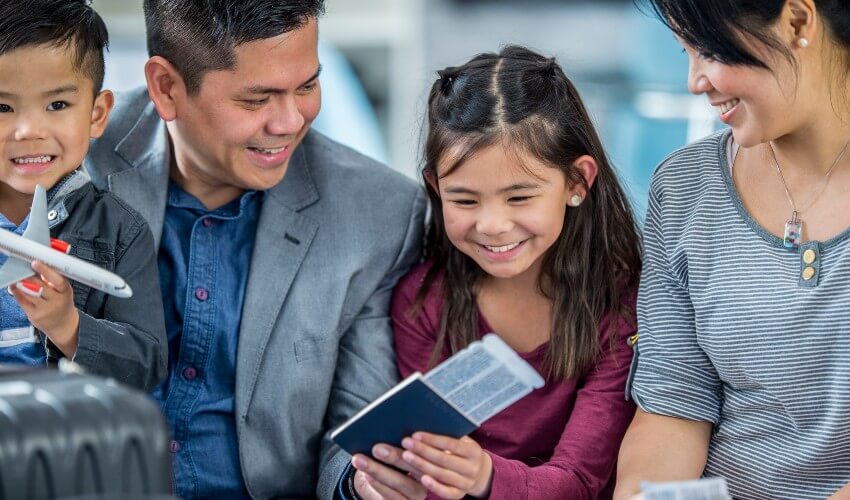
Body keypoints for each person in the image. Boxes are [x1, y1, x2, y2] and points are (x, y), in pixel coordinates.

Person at [84, 0, 426, 498]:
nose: (290, 121)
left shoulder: (378, 215)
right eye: (256, 99)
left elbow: (356, 424)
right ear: (166, 87)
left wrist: (362, 483)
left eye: (307, 85)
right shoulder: (67, 163)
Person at [349, 46, 643, 500]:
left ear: (577, 183)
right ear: (435, 187)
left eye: (520, 197)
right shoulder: (423, 300)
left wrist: (484, 475)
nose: (492, 225)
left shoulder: (618, 306)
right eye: (465, 200)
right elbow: (420, 456)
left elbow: (581, 481)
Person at [614, 1, 850, 499]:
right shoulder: (684, 187)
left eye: (709, 50)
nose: (695, 81)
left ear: (798, 21)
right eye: (685, 53)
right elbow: (674, 404)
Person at [0, 0, 166, 390]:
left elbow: (148, 366)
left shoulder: (120, 232)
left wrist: (67, 326)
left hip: (58, 434)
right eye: (2, 106)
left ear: (96, 115)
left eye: (57, 104)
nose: (28, 131)